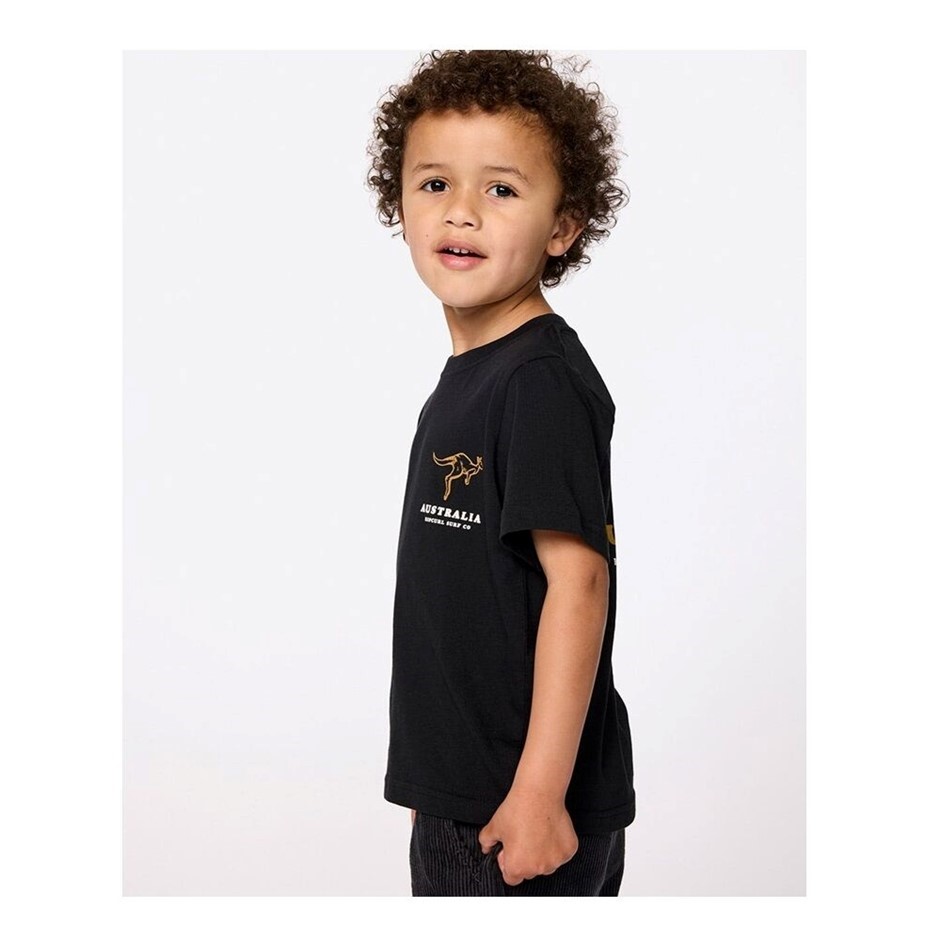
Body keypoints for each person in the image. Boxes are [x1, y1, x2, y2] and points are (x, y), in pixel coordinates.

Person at [366, 49, 636, 897]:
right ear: (399, 202)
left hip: (517, 812)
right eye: (435, 183)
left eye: (503, 190)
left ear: (563, 228)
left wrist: (539, 795)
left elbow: (579, 583)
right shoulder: (473, 379)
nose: (463, 211)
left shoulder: (537, 381)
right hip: (469, 795)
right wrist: (435, 774)